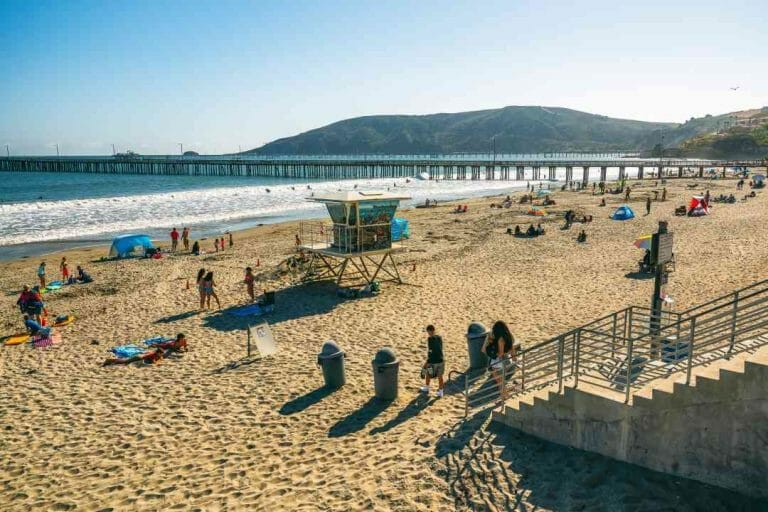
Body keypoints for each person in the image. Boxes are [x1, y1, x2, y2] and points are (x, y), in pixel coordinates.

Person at [482, 321, 516, 401]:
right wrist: (513, 357)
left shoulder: (500, 339)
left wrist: (493, 353)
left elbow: (500, 353)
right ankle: (505, 396)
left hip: (497, 363)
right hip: (506, 362)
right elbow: (512, 351)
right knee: (501, 381)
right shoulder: (509, 336)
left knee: (499, 382)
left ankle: (504, 397)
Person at [419, 325, 445, 397]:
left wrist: (427, 362)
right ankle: (441, 392)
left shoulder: (430, 339)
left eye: (428, 332)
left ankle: (426, 388)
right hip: (441, 360)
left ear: (430, 331)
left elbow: (431, 351)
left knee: (428, 373)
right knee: (440, 376)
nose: (428, 333)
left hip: (433, 362)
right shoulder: (439, 337)